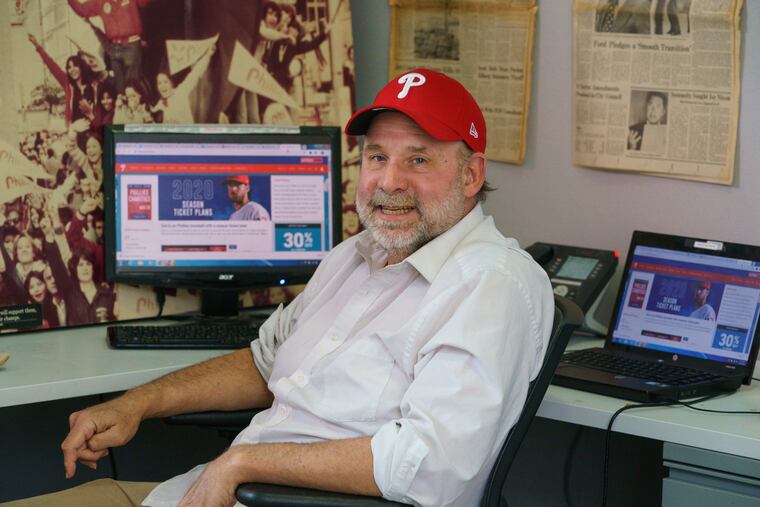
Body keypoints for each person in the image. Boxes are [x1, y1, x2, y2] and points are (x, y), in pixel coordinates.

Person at [10, 69, 553, 507]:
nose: (389, 182)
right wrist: (138, 403)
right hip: (218, 489)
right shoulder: (354, 256)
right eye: (376, 157)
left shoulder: (490, 285)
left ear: (470, 175)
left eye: (419, 159)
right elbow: (264, 363)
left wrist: (244, 462)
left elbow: (426, 464)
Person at [66, 0, 151, 94]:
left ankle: (140, 105)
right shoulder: (101, 2)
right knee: (120, 89)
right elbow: (82, 10)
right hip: (114, 48)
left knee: (133, 87)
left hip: (131, 44)